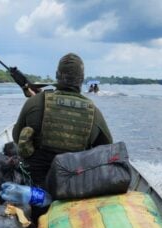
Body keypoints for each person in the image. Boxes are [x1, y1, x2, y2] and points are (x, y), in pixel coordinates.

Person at [12, 53, 113, 189]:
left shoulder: (35, 102)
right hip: (73, 188)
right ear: (82, 79)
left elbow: (16, 137)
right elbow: (107, 150)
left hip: (36, 185)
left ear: (57, 75)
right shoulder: (94, 112)